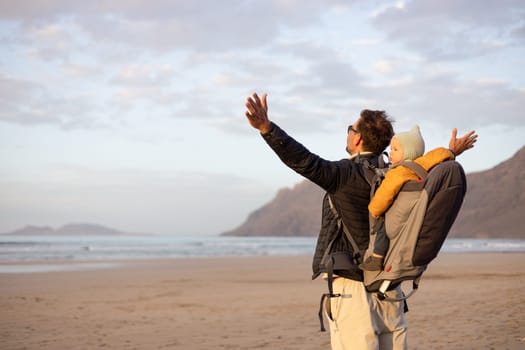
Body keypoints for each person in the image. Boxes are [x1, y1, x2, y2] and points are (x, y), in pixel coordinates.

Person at [244, 92, 477, 350]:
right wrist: (451, 151)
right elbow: (428, 168)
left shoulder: (344, 174)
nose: (348, 134)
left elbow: (302, 160)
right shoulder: (399, 173)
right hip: (389, 284)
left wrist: (267, 128)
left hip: (352, 284)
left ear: (357, 137)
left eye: (350, 129)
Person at [360, 125, 457, 271]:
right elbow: (437, 155)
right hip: (413, 217)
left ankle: (377, 257)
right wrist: (450, 151)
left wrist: (374, 211)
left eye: (396, 149)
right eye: (391, 149)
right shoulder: (423, 165)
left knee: (381, 223)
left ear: (409, 152)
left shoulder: (398, 172)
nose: (390, 153)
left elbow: (384, 194)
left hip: (397, 221)